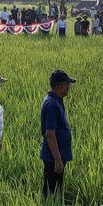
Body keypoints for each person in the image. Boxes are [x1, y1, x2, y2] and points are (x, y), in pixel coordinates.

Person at [40, 69, 76, 198]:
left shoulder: (55, 100)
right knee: (52, 192)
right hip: (53, 157)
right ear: (61, 86)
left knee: (55, 189)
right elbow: (50, 134)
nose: (69, 87)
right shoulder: (52, 104)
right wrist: (58, 159)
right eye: (68, 84)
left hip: (56, 155)